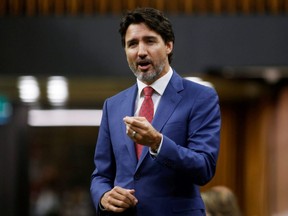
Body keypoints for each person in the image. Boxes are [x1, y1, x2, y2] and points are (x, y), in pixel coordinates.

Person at [90, 7, 221, 216]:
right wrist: (104, 197)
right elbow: (101, 175)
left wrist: (157, 143)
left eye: (149, 41)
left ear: (168, 45)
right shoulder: (112, 105)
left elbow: (204, 167)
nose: (141, 51)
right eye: (132, 44)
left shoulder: (200, 97)